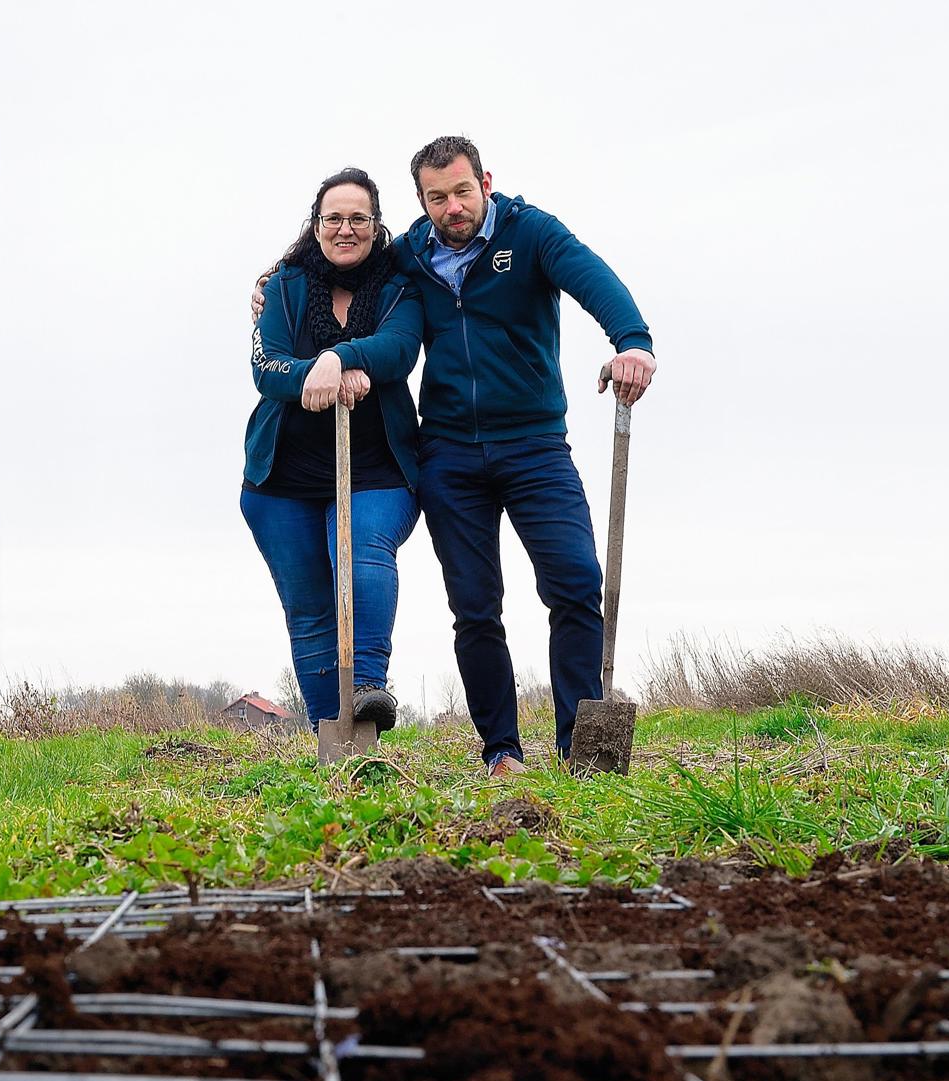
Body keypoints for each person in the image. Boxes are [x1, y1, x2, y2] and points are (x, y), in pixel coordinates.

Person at [253, 136, 656, 774]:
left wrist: (631, 341)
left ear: (485, 182)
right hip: (448, 452)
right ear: (421, 202)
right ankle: (501, 751)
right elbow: (337, 251)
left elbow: (593, 279)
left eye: (462, 191)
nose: (453, 208)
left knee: (576, 584)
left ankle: (580, 748)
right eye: (437, 198)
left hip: (534, 444)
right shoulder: (411, 251)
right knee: (474, 606)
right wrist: (271, 280)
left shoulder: (531, 235)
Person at [244, 166, 425, 734]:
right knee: (311, 609)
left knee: (361, 548)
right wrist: (312, 374)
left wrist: (342, 357)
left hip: (377, 469)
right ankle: (333, 734)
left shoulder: (402, 284)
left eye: (358, 218)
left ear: (376, 224)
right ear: (316, 225)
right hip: (284, 479)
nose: (345, 229)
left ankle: (369, 689)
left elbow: (400, 348)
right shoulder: (284, 287)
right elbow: (265, 366)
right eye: (334, 218)